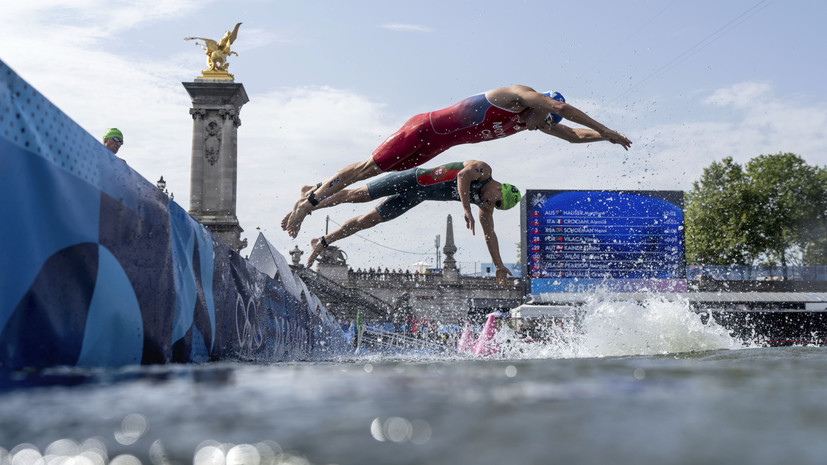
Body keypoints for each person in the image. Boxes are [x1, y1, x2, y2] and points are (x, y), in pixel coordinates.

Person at [282, 84, 632, 237]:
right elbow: (561, 110)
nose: (540, 128)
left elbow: (572, 135)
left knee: (377, 174)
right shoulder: (515, 97)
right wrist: (604, 124)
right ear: (539, 106)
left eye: (544, 126)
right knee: (367, 170)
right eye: (542, 120)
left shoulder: (533, 120)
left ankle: (312, 192)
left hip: (434, 149)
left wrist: (608, 137)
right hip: (421, 129)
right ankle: (307, 203)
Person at [304, 160, 520, 288]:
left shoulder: (485, 206)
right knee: (359, 195)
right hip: (411, 179)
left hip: (415, 197)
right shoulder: (484, 170)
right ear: (501, 188)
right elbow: (462, 175)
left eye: (497, 207)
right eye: (497, 201)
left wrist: (499, 265)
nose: (492, 203)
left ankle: (322, 241)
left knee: (367, 221)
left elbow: (489, 235)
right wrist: (466, 208)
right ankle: (313, 197)